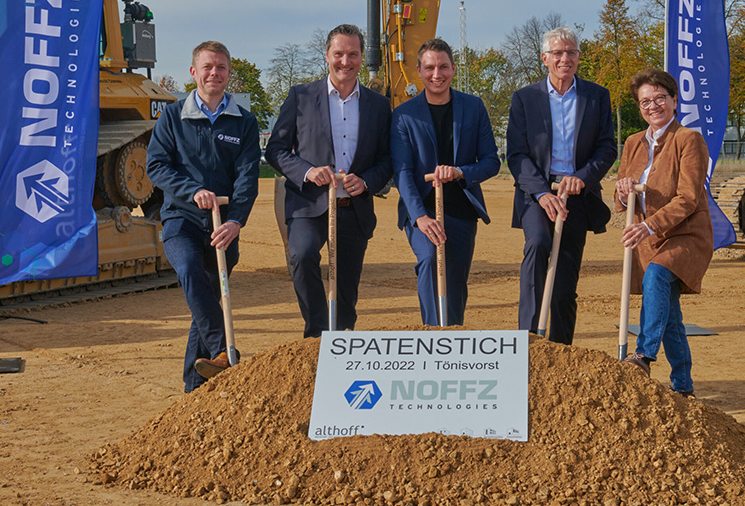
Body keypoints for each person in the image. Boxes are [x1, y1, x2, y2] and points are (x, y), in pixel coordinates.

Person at [146, 41, 260, 392]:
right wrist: (192, 190)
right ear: (193, 72)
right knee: (190, 270)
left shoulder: (244, 122)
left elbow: (247, 177)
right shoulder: (172, 116)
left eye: (221, 67)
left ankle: (194, 387)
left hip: (223, 227)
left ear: (229, 73)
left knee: (205, 302)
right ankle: (224, 350)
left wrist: (235, 221)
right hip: (181, 219)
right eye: (207, 67)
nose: (214, 73)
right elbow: (156, 166)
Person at [265, 24, 392, 337]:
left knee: (346, 290)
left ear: (361, 58)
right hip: (309, 205)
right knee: (302, 255)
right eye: (338, 54)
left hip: (354, 208)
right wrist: (307, 171)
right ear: (326, 55)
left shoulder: (378, 105)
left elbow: (388, 159)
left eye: (353, 54)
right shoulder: (301, 97)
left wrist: (367, 181)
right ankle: (317, 334)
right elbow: (276, 150)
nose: (345, 61)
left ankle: (341, 341)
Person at [506, 27, 616, 345]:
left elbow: (607, 147)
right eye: (557, 53)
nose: (564, 58)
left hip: (577, 195)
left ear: (579, 57)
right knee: (538, 244)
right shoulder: (525, 98)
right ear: (545, 58)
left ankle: (561, 349)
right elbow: (516, 154)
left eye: (571, 52)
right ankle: (527, 340)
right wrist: (542, 193)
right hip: (537, 194)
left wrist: (583, 177)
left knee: (565, 280)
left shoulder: (596, 96)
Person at [616, 67, 713, 398]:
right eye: (645, 101)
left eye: (660, 98)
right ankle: (683, 388)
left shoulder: (689, 140)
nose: (653, 106)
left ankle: (643, 356)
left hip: (686, 235)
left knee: (657, 276)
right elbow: (621, 196)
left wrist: (648, 225)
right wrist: (623, 191)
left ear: (674, 100)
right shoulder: (633, 143)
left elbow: (688, 198)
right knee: (670, 315)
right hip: (648, 241)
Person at [390, 38, 499, 326]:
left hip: (462, 208)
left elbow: (491, 161)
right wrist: (420, 217)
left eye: (443, 67)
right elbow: (402, 171)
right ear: (418, 70)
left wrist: (460, 171)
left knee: (455, 276)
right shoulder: (404, 115)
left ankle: (452, 335)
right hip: (423, 209)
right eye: (429, 68)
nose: (436, 74)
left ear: (452, 69)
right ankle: (432, 332)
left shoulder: (474, 107)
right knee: (429, 260)